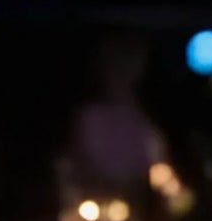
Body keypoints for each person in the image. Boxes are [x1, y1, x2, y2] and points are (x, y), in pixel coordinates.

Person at [70, 34, 166, 197]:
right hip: (99, 199)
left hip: (141, 199)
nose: (124, 70)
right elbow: (82, 166)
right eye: (118, 62)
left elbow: (157, 164)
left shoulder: (146, 119)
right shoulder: (90, 117)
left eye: (131, 61)